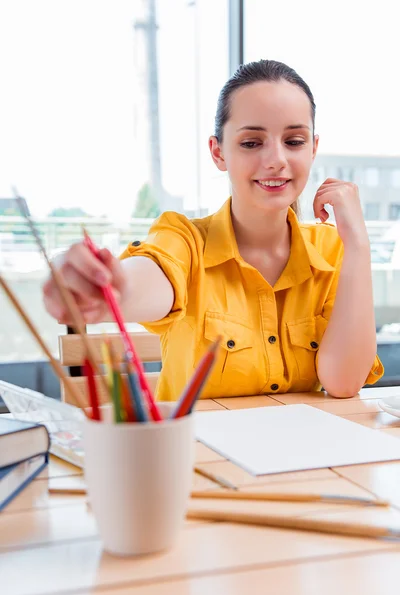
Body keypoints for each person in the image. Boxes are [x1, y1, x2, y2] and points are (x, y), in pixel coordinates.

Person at [43, 59, 383, 401]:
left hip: (303, 452)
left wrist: (358, 246)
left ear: (313, 149)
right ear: (218, 152)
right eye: (251, 143)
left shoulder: (332, 249)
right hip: (196, 454)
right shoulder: (184, 241)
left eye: (294, 141)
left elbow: (342, 383)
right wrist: (103, 287)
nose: (276, 159)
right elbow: (142, 281)